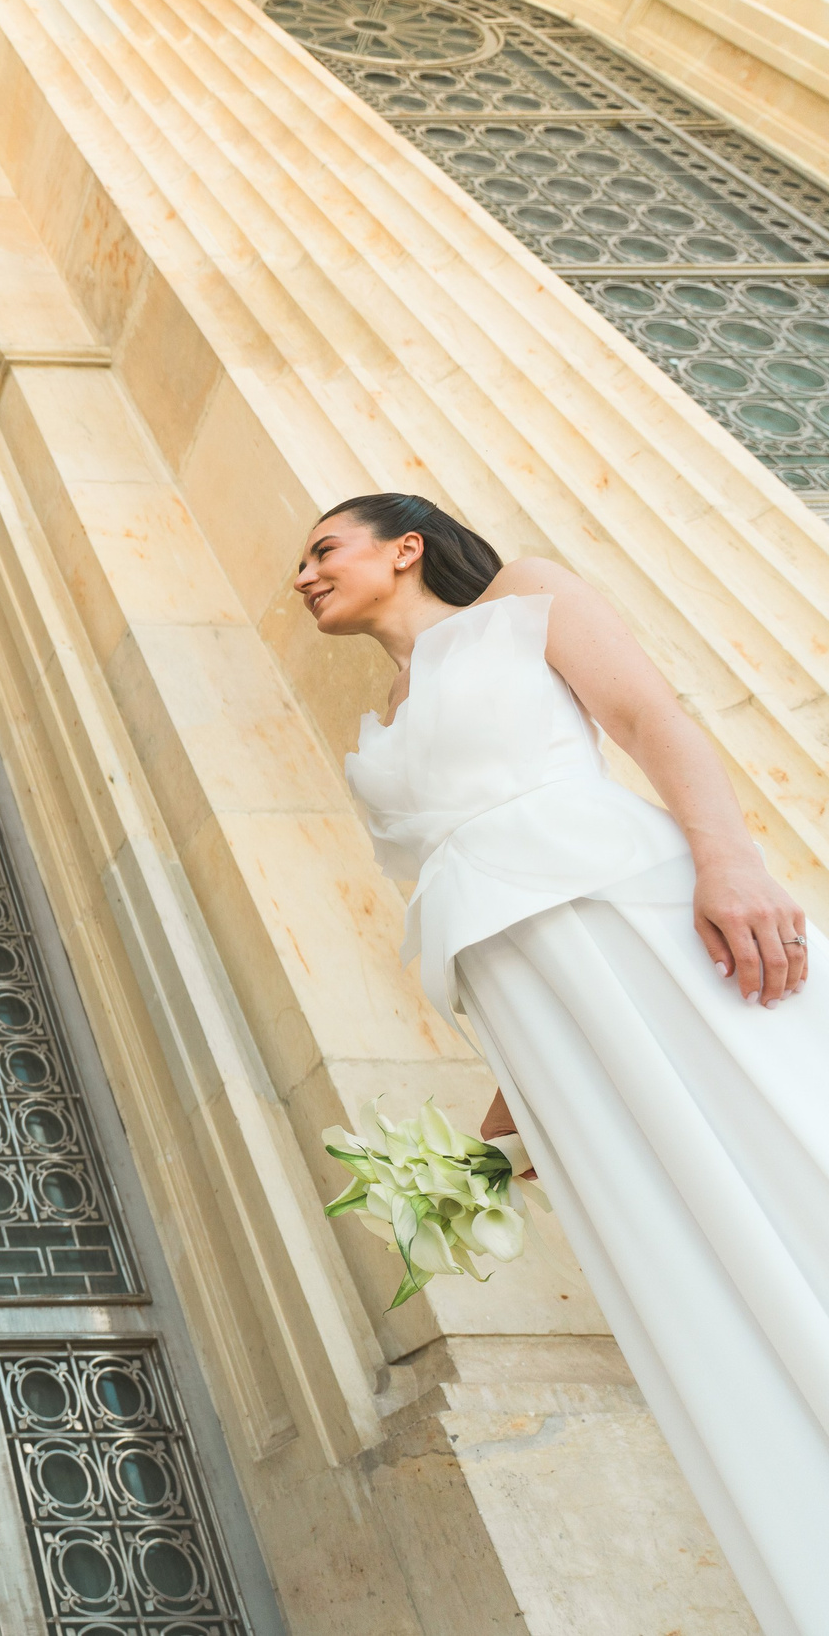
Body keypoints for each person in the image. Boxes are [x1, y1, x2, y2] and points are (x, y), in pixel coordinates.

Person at [298, 492, 829, 1633]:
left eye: (322, 548)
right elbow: (485, 911)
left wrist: (727, 860)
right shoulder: (377, 732)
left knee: (785, 1154)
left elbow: (649, 719)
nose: (303, 574)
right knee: (686, 1265)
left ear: (403, 547)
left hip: (639, 923)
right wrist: (503, 1122)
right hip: (539, 1019)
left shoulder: (523, 598)